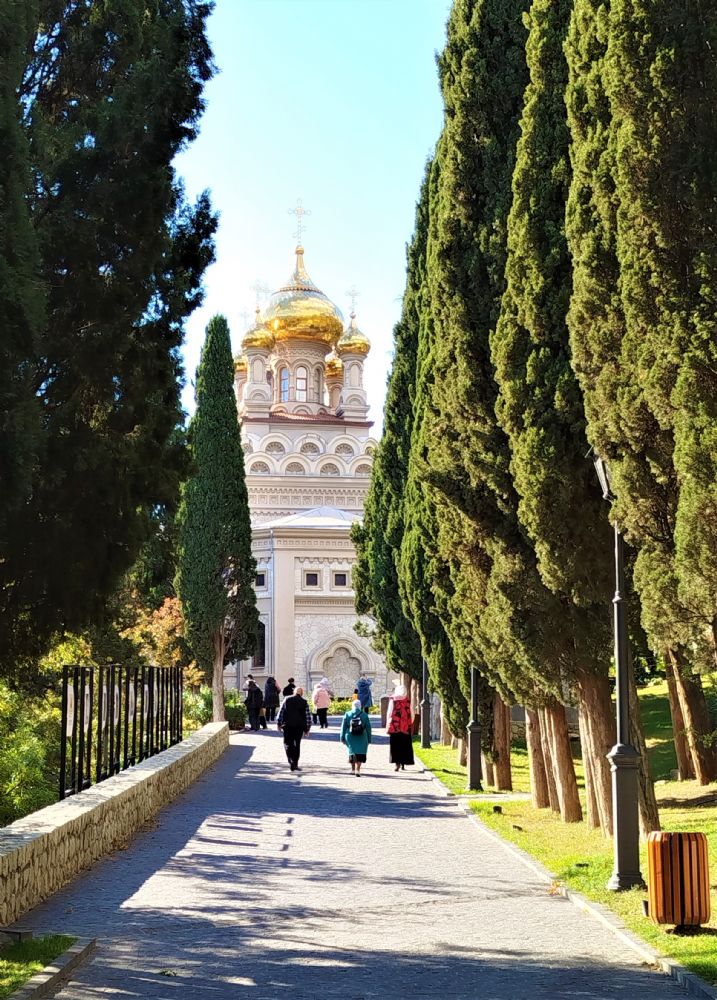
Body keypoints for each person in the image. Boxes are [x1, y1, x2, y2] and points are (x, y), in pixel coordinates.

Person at [277, 685, 311, 771]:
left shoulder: (287, 699)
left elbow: (281, 712)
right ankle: (295, 763)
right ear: (302, 693)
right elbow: (307, 717)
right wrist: (307, 729)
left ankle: (291, 760)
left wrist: (279, 723)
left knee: (288, 743)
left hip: (288, 725)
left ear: (294, 692)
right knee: (297, 744)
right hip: (299, 727)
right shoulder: (304, 702)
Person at [340, 698, 372, 776]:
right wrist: (369, 739)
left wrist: (342, 737)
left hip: (350, 736)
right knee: (360, 753)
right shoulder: (364, 715)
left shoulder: (347, 714)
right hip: (362, 736)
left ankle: (352, 769)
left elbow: (343, 727)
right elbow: (368, 728)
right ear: (360, 706)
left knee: (352, 752)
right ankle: (358, 770)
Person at [386, 683, 414, 771]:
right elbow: (412, 713)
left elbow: (389, 712)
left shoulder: (393, 700)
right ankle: (403, 764)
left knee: (395, 745)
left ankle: (397, 763)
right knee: (405, 745)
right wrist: (410, 722)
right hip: (406, 727)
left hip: (395, 726)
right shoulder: (408, 701)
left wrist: (388, 723)